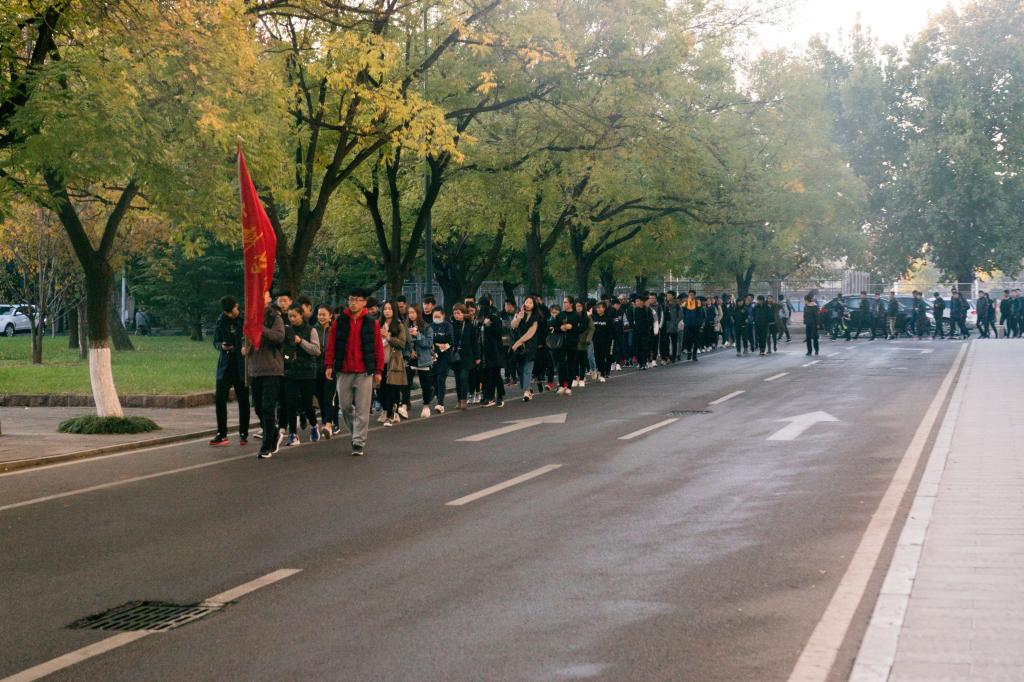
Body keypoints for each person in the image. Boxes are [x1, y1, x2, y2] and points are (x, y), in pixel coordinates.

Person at [324, 287, 384, 457]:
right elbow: (331, 345)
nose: (354, 303)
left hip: (364, 371)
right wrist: (329, 365)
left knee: (362, 409)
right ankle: (355, 432)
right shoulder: (339, 322)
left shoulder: (372, 323)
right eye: (351, 299)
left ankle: (358, 442)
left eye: (357, 300)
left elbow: (378, 348)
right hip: (343, 370)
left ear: (364, 302)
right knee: (344, 406)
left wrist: (378, 370)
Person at [245, 290, 286, 459]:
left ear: (269, 298)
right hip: (255, 368)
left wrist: (260, 329)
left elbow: (279, 337)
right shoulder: (250, 317)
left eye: (264, 294)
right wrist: (244, 347)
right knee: (258, 408)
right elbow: (245, 338)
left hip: (272, 369)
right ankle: (274, 433)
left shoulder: (274, 317)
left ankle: (266, 445)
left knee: (268, 407)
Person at [210, 296, 250, 447]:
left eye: (231, 311)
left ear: (237, 306)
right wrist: (221, 346)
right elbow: (215, 341)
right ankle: (221, 432)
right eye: (226, 312)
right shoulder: (221, 320)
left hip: (241, 364)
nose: (229, 314)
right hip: (225, 364)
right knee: (220, 398)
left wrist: (243, 347)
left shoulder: (245, 319)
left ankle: (243, 432)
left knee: (243, 399)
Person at [282, 304, 321, 445]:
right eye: (289, 316)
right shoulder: (286, 329)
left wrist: (300, 341)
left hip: (307, 372)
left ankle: (314, 425)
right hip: (290, 372)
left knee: (307, 403)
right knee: (290, 403)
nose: (292, 319)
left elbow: (316, 351)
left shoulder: (311, 330)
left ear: (301, 315)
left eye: (294, 316)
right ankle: (293, 434)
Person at [378, 301, 409, 426]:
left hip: (394, 362)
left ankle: (390, 415)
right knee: (380, 391)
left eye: (390, 309)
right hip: (380, 362)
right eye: (385, 309)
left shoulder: (399, 325)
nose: (387, 311)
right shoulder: (378, 324)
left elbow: (402, 343)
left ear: (394, 311)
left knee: (391, 389)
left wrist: (388, 337)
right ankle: (387, 410)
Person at [404, 305, 434, 418]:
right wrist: (410, 351)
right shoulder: (405, 326)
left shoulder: (426, 327)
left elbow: (429, 343)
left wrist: (417, 335)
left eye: (413, 312)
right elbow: (402, 343)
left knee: (425, 384)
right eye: (409, 313)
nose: (411, 315)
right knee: (406, 383)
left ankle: (426, 406)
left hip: (423, 359)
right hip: (410, 359)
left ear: (418, 313)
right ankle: (404, 405)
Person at [314, 305, 337, 439]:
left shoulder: (334, 330)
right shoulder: (313, 330)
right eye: (319, 314)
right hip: (316, 369)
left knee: (329, 397)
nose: (321, 317)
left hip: (331, 368)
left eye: (324, 314)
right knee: (321, 397)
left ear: (330, 316)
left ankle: (329, 424)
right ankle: (325, 422)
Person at [510, 296, 540, 401]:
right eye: (527, 302)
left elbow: (530, 333)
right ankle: (528, 388)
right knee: (520, 369)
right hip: (519, 347)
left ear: (534, 305)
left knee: (528, 369)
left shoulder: (535, 317)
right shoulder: (519, 313)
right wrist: (519, 317)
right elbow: (513, 326)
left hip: (530, 345)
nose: (528, 304)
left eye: (531, 303)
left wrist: (517, 343)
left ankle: (527, 391)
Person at [450, 304, 478, 410]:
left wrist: (477, 356)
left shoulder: (470, 326)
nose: (456, 315)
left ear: (464, 313)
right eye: (455, 313)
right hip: (455, 356)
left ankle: (464, 400)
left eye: (458, 313)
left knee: (463, 378)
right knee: (457, 380)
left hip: (467, 356)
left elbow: (475, 342)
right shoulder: (452, 325)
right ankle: (458, 400)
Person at [430, 306, 455, 412]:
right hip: (433, 357)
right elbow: (428, 338)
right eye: (434, 316)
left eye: (438, 316)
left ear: (443, 315)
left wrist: (436, 340)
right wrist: (438, 341)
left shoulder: (448, 326)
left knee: (441, 379)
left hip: (445, 356)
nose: (436, 318)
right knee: (433, 379)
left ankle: (440, 404)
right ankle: (436, 394)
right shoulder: (430, 326)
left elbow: (449, 338)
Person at [554, 296, 580, 394]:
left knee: (571, 363)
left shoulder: (576, 315)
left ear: (571, 303)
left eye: (566, 302)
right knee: (561, 363)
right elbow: (554, 327)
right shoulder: (560, 315)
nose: (564, 304)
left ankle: (569, 386)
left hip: (572, 342)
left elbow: (581, 328)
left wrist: (572, 327)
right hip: (561, 342)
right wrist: (560, 328)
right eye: (564, 302)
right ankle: (561, 385)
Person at [590, 299, 613, 382]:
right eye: (597, 307)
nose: (598, 309)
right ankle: (600, 371)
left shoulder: (608, 318)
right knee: (597, 357)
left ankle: (603, 374)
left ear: (604, 309)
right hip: (595, 341)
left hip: (605, 342)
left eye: (600, 307)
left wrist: (612, 340)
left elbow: (612, 330)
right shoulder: (593, 317)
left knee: (603, 357)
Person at [574, 299, 594, 386]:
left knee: (582, 360)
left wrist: (588, 339)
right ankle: (575, 378)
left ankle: (582, 378)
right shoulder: (572, 316)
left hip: (583, 341)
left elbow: (591, 328)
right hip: (573, 341)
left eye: (580, 306)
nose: (578, 308)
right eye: (576, 306)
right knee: (574, 360)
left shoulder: (587, 316)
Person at [680, 290, 703, 361]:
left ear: (694, 295)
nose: (691, 296)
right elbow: (683, 313)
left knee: (696, 340)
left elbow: (700, 314)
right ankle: (689, 352)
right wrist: (685, 321)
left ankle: (694, 355)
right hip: (688, 325)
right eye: (690, 295)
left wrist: (699, 324)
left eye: (692, 295)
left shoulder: (697, 303)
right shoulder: (686, 303)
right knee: (688, 340)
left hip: (696, 325)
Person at [661, 291, 680, 363]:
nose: (667, 297)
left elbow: (680, 316)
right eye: (667, 295)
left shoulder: (677, 305)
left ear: (673, 296)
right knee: (666, 343)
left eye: (669, 295)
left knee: (674, 343)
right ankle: (667, 356)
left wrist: (675, 323)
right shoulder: (664, 305)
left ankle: (674, 357)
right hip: (666, 326)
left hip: (674, 327)